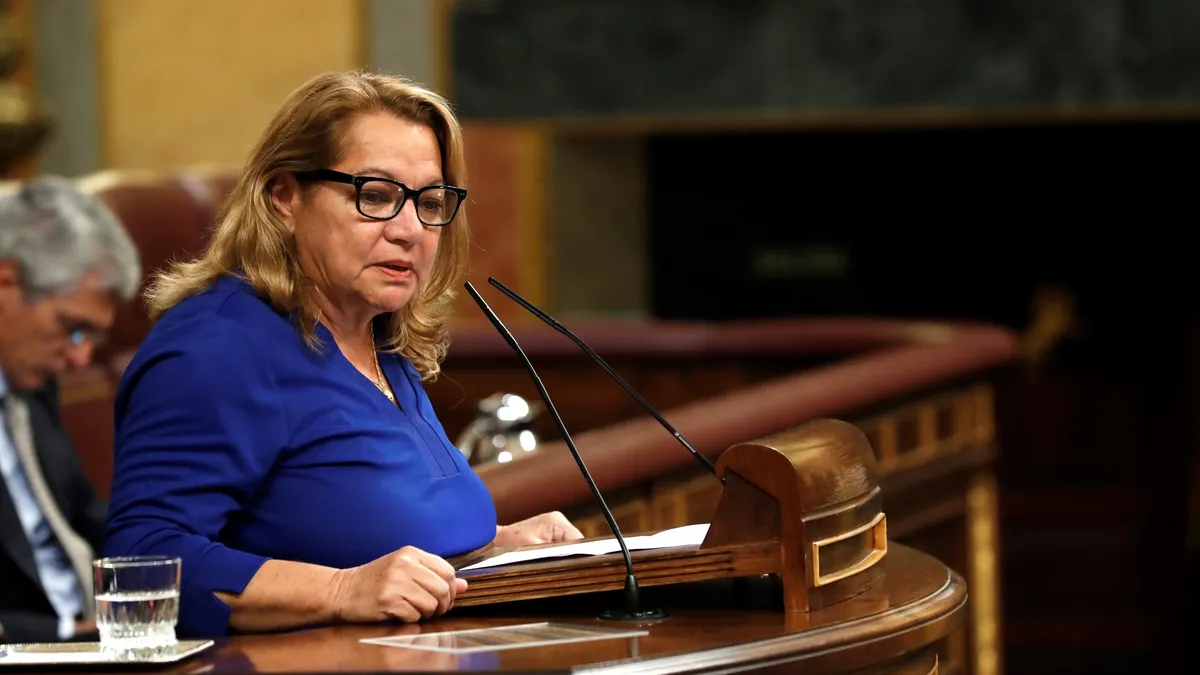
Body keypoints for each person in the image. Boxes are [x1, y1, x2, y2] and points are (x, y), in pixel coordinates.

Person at [102, 71, 584, 639]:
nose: (410, 230)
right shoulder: (216, 349)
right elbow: (140, 564)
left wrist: (494, 548)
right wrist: (338, 591)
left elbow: (356, 532)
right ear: (284, 197)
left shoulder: (376, 339)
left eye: (430, 202)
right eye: (375, 196)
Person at [0, 176, 141, 643]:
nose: (81, 358)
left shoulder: (29, 385)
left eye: (92, 337)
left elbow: (80, 519)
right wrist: (63, 632)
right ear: (6, 282)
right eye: (71, 328)